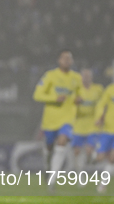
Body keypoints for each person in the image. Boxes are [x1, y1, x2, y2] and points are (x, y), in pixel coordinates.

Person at [33, 50, 82, 191]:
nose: (67, 60)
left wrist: (78, 100)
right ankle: (48, 167)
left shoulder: (76, 78)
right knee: (49, 148)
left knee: (62, 143)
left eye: (69, 58)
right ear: (59, 61)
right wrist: (54, 99)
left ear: (72, 62)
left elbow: (79, 95)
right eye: (64, 58)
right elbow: (37, 95)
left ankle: (52, 179)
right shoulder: (50, 76)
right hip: (50, 120)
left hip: (67, 119)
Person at [94, 79, 114, 194]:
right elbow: (102, 104)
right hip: (107, 130)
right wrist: (99, 117)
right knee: (100, 158)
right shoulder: (111, 89)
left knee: (113, 158)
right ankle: (109, 167)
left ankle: (102, 185)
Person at [71, 69, 103, 174]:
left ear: (91, 77)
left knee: (89, 150)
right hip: (78, 125)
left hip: (92, 125)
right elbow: (69, 104)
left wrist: (100, 117)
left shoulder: (98, 89)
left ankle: (91, 159)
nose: (86, 78)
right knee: (76, 152)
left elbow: (102, 104)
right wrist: (75, 101)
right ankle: (80, 174)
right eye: (84, 76)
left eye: (88, 76)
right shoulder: (76, 90)